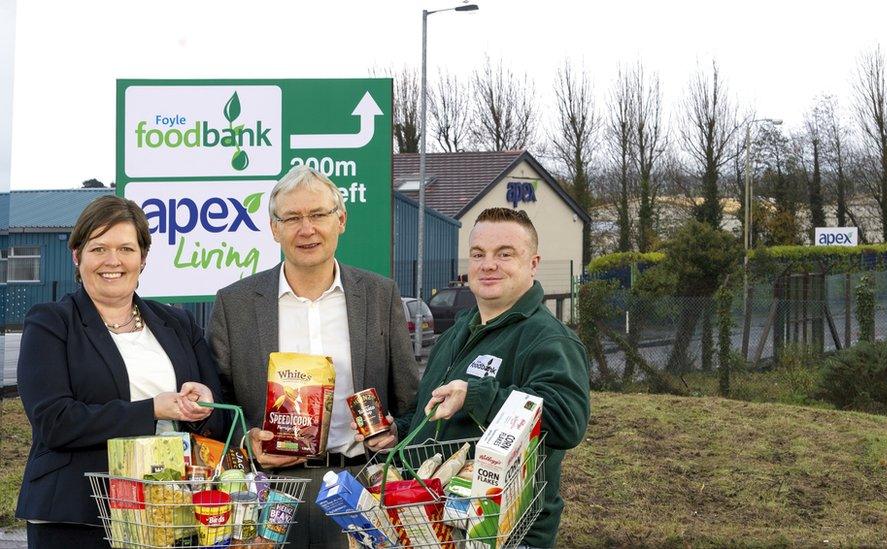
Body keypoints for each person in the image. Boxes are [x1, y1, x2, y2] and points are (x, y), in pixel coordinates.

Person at [208, 164, 419, 549]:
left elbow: (409, 402)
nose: (307, 229)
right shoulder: (234, 304)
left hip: (361, 489)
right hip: (267, 494)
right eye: (292, 217)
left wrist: (395, 432)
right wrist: (245, 443)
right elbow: (216, 409)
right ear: (274, 229)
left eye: (318, 214)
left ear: (341, 220)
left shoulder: (380, 296)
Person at [362, 207, 590, 549]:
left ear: (533, 263)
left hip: (506, 537)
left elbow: (567, 422)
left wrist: (477, 395)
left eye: (505, 254)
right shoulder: (457, 332)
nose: (488, 264)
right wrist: (400, 432)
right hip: (436, 530)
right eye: (478, 254)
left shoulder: (548, 339)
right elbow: (432, 414)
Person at [15, 195, 226, 548]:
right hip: (76, 515)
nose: (113, 261)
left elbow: (216, 414)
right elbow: (54, 421)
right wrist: (151, 409)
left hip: (170, 511)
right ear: (76, 255)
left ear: (143, 259)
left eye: (126, 249)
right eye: (99, 249)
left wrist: (204, 405)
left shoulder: (178, 323)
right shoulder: (51, 323)